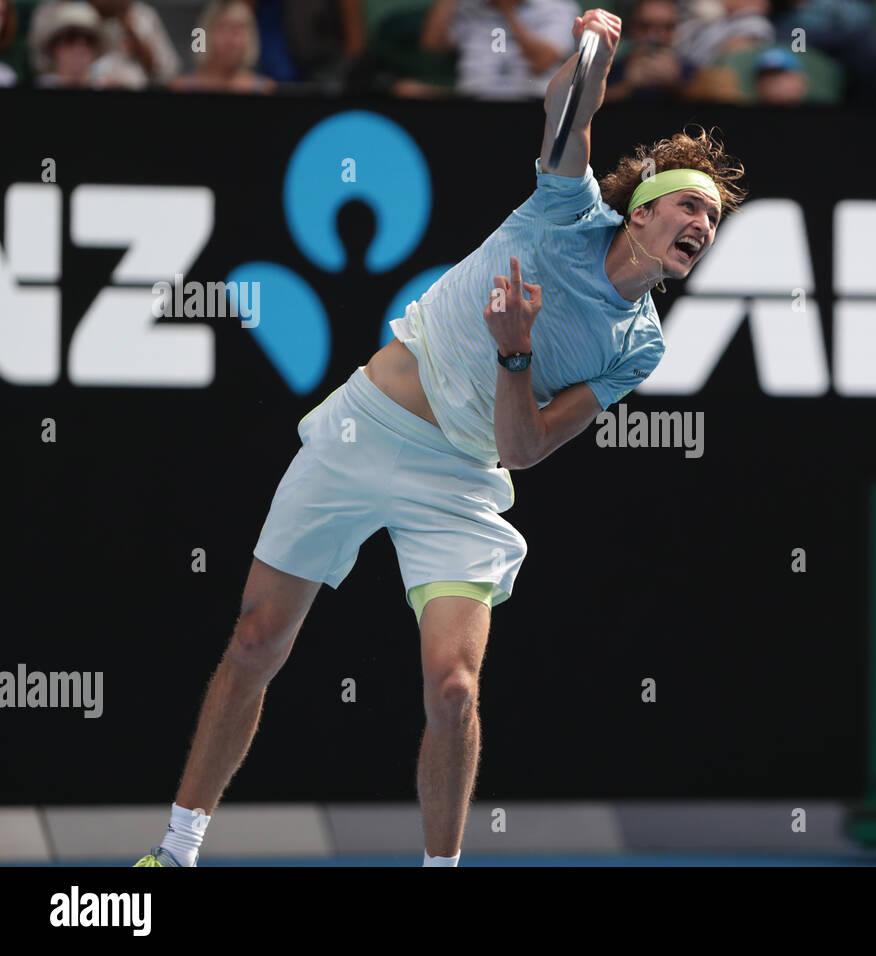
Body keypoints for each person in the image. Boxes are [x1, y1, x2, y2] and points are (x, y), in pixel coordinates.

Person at [132, 7, 746, 868]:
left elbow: (526, 448)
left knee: (455, 690)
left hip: (460, 476)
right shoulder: (561, 212)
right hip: (362, 428)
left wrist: (516, 353)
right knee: (255, 641)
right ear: (642, 212)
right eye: (690, 206)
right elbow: (570, 111)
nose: (703, 228)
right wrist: (592, 52)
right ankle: (177, 849)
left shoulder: (640, 344)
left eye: (712, 221)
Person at [420, 0, 581, 99]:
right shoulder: (471, 8)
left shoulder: (557, 7)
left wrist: (507, 10)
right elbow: (432, 43)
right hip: (472, 102)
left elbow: (542, 62)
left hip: (531, 104)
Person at [29, 0, 182, 88]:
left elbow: (168, 74)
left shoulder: (141, 16)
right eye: (71, 39)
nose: (80, 46)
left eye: (88, 41)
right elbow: (40, 64)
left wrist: (139, 42)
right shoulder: (56, 9)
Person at [172, 0, 275, 93]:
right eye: (223, 29)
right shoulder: (183, 87)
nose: (231, 40)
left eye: (238, 30)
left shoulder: (264, 88)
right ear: (207, 34)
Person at [604, 0, 694, 103]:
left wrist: (676, 84)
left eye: (667, 27)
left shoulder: (688, 71)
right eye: (645, 27)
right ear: (631, 28)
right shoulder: (609, 71)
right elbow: (589, 106)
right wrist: (627, 85)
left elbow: (709, 101)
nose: (656, 35)